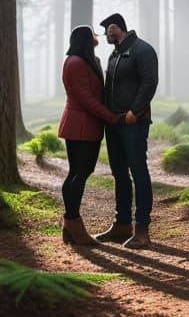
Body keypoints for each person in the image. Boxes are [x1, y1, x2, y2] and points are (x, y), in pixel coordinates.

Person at [95, 13, 158, 249]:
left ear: (120, 27)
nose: (108, 33)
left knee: (138, 172)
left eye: (110, 28)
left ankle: (142, 230)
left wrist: (135, 112)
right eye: (105, 30)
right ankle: (122, 225)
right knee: (119, 173)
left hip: (134, 122)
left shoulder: (142, 50)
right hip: (114, 123)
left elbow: (149, 83)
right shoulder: (115, 54)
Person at [58, 25, 121, 245]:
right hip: (80, 125)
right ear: (85, 39)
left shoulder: (87, 60)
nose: (97, 37)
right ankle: (73, 222)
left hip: (88, 125)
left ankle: (70, 224)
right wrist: (112, 117)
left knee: (79, 172)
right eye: (93, 34)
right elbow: (86, 99)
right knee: (79, 173)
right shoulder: (75, 62)